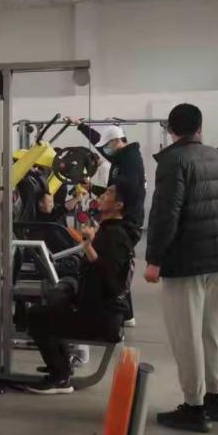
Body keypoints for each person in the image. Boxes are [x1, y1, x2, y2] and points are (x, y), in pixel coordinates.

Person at [144, 103, 218, 433]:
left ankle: (194, 406)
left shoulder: (173, 160)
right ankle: (215, 398)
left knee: (185, 334)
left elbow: (166, 213)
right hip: (216, 257)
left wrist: (154, 259)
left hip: (186, 259)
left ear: (171, 130)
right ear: (200, 127)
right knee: (208, 331)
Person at [25, 180, 139, 394]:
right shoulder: (111, 230)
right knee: (50, 308)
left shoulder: (116, 236)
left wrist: (88, 247)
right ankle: (61, 366)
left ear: (119, 205)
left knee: (36, 317)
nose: (102, 196)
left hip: (101, 318)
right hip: (99, 310)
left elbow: (112, 282)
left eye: (108, 193)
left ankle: (60, 377)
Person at [70, 120, 146, 325]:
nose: (105, 150)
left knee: (113, 265)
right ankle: (125, 313)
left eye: (107, 146)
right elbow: (99, 144)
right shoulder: (122, 157)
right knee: (113, 264)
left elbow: (126, 193)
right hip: (119, 218)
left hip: (126, 221)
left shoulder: (131, 161)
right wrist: (81, 126)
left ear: (117, 142)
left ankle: (117, 312)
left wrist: (106, 200)